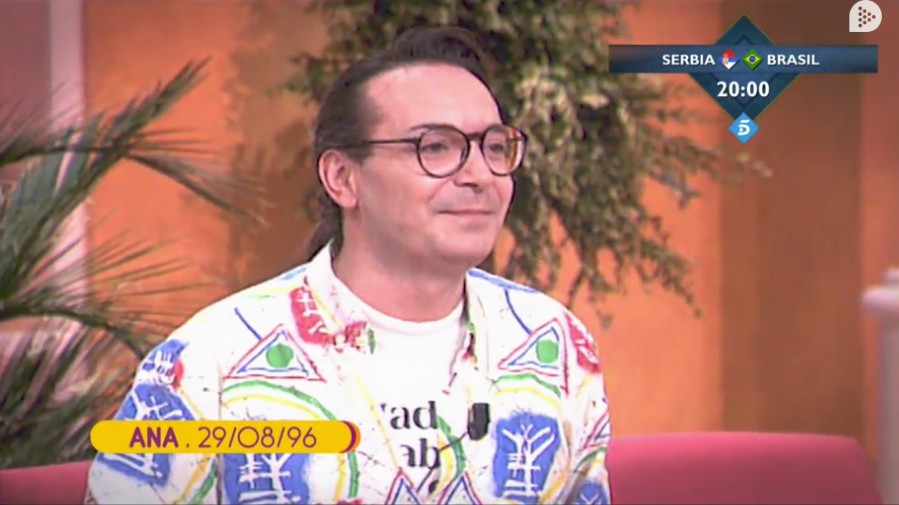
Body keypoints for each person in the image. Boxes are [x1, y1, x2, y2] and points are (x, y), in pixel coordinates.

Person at [86, 25, 612, 505]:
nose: (480, 175)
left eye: (494, 147)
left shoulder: (554, 345)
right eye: (436, 147)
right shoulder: (211, 362)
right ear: (342, 178)